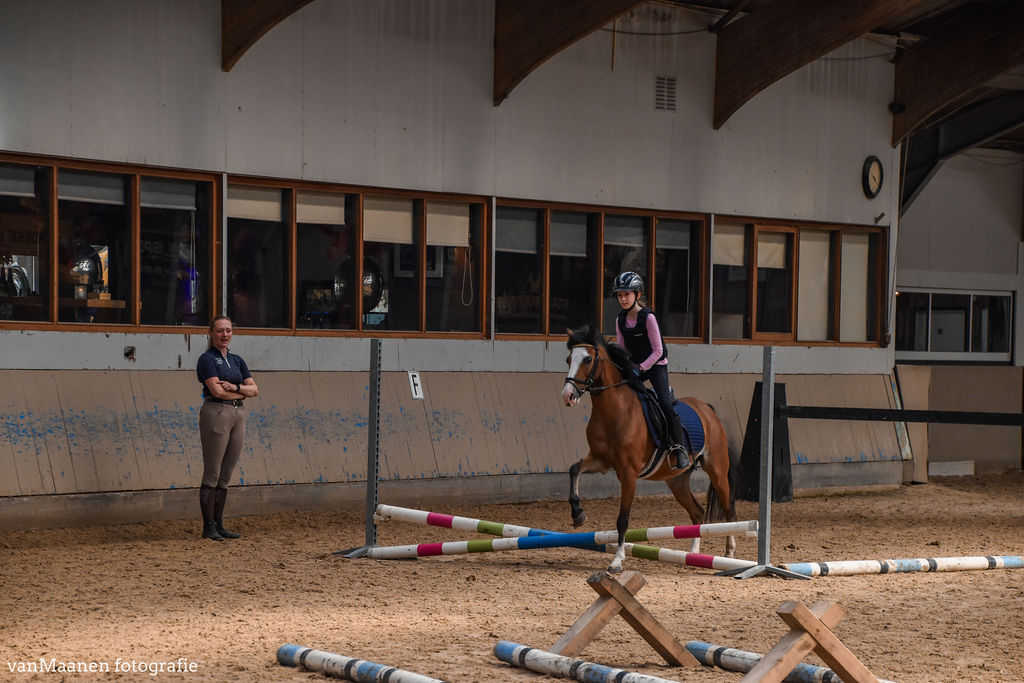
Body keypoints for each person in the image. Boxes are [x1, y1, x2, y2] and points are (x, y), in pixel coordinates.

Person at [612, 271, 689, 469]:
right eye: (619, 295)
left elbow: (658, 351)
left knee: (664, 402)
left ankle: (679, 448)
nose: (622, 298)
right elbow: (622, 351)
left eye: (626, 294)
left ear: (637, 294)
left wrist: (641, 368)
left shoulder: (648, 318)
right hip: (636, 366)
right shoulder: (620, 320)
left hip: (655, 366)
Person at [195, 315, 259, 540]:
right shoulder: (207, 359)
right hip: (218, 411)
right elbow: (217, 391)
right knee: (213, 471)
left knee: (226, 472)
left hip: (238, 412)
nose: (224, 335)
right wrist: (242, 391)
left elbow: (255, 390)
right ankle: (208, 525)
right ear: (211, 333)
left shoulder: (237, 360)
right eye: (220, 331)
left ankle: (219, 522)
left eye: (228, 331)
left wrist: (237, 387)